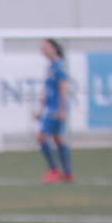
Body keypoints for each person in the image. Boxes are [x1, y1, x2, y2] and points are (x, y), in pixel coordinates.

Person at [36, 38, 73, 184]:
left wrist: (62, 109)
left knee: (41, 137)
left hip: (56, 108)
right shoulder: (50, 66)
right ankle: (68, 173)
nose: (43, 50)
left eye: (45, 47)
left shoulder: (59, 65)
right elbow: (47, 90)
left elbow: (63, 88)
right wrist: (40, 109)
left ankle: (54, 170)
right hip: (51, 107)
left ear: (53, 48)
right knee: (57, 139)